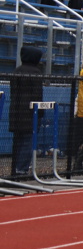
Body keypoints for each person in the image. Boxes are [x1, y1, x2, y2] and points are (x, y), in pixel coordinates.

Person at [9, 46, 44, 175]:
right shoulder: (36, 73)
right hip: (30, 114)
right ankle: (22, 169)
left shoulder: (16, 71)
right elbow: (37, 95)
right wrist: (40, 112)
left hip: (16, 112)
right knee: (28, 142)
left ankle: (15, 168)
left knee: (17, 142)